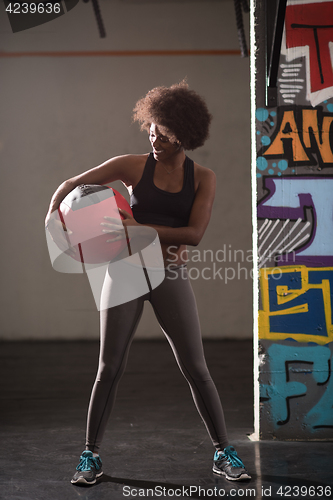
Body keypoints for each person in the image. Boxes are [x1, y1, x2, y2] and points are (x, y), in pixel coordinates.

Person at [45, 81, 251, 484]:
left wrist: (139, 228)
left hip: (168, 273)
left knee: (196, 367)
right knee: (109, 367)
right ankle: (90, 457)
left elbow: (193, 235)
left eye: (164, 136)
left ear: (184, 136)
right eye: (151, 132)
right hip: (124, 271)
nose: (155, 140)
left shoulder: (203, 178)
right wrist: (53, 216)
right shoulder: (134, 165)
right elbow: (71, 184)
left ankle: (224, 452)